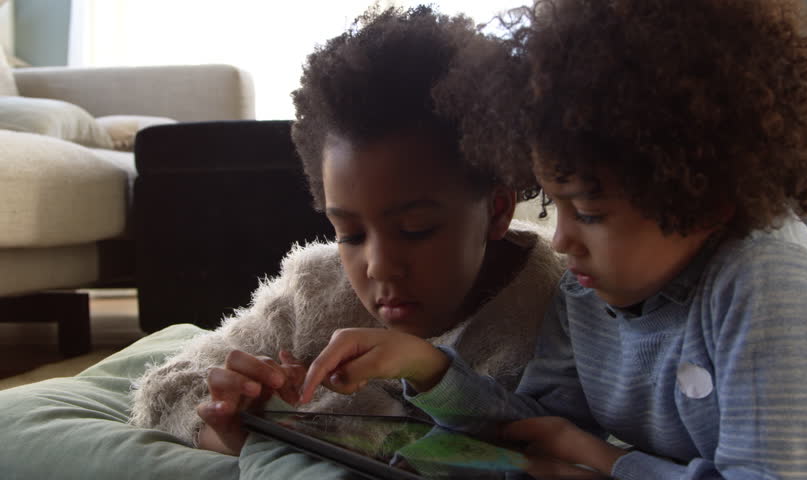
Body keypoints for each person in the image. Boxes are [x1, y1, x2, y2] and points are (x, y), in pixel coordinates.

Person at [296, 1, 807, 478]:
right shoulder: (588, 293)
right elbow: (540, 428)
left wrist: (612, 463)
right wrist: (429, 370)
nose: (560, 240)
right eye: (554, 203)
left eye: (588, 210)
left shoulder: (774, 287)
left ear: (703, 195)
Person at [0, 6, 564, 480]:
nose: (380, 266)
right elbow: (168, 389)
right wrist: (223, 420)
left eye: (416, 230)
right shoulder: (318, 286)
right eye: (350, 232)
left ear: (495, 209)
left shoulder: (557, 311)